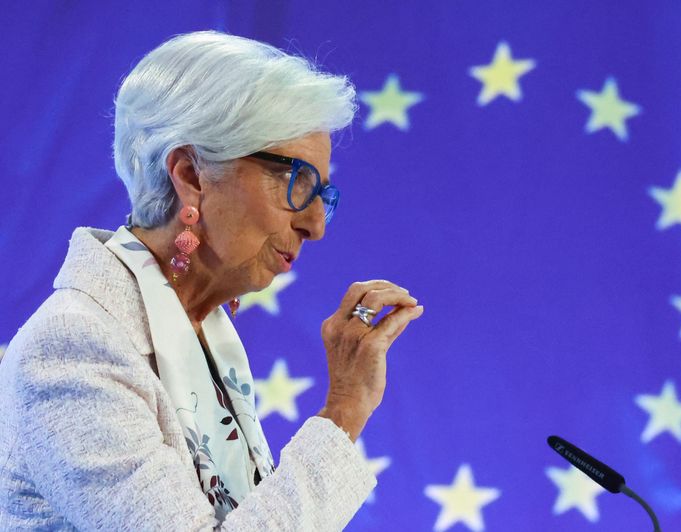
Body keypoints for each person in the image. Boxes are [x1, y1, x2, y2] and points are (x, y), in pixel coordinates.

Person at [0, 30, 423, 530]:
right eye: (295, 182)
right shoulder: (75, 347)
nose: (315, 225)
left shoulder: (200, 334)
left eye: (321, 195)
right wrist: (345, 409)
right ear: (192, 175)